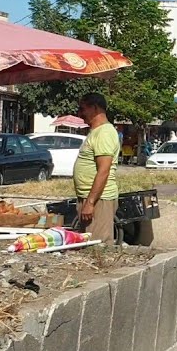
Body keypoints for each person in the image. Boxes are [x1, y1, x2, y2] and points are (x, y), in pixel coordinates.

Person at [74, 92, 120, 243]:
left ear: (94, 108)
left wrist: (90, 202)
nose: (80, 114)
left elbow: (103, 170)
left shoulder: (104, 132)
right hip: (89, 198)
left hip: (99, 201)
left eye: (82, 109)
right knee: (86, 244)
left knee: (97, 246)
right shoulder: (95, 132)